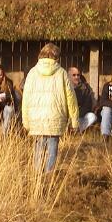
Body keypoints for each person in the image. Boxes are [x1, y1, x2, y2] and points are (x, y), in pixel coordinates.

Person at [21, 42, 79, 172]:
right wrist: (74, 121)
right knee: (52, 148)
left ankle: (37, 175)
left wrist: (26, 121)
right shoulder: (62, 73)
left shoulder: (32, 73)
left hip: (36, 119)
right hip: (55, 117)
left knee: (38, 148)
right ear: (56, 57)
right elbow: (71, 98)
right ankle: (49, 175)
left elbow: (26, 99)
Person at [68, 66, 98, 133]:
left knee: (92, 116)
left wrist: (77, 114)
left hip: (80, 115)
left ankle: (77, 131)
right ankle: (69, 130)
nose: (76, 77)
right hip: (68, 116)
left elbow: (88, 104)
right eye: (74, 75)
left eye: (78, 75)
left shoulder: (85, 87)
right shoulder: (65, 87)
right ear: (69, 76)